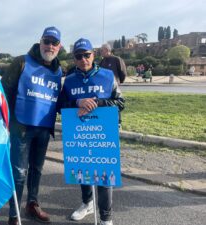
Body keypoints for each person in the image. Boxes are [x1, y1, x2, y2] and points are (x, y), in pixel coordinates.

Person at [57, 38, 125, 225]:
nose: (83, 59)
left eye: (86, 55)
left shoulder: (108, 75)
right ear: (74, 59)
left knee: (104, 174)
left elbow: (120, 102)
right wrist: (77, 102)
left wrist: (97, 103)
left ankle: (105, 218)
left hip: (103, 133)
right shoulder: (69, 80)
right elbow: (60, 105)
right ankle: (87, 203)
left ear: (93, 54)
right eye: (78, 56)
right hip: (79, 133)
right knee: (83, 170)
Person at [0, 26, 62, 225]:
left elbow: (55, 98)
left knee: (37, 169)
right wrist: (7, 121)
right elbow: (4, 91)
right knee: (19, 172)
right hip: (22, 126)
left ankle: (32, 204)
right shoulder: (21, 62)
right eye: (47, 41)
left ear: (59, 47)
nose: (50, 46)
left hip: (43, 128)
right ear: (40, 41)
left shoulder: (57, 69)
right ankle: (14, 214)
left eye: (54, 43)